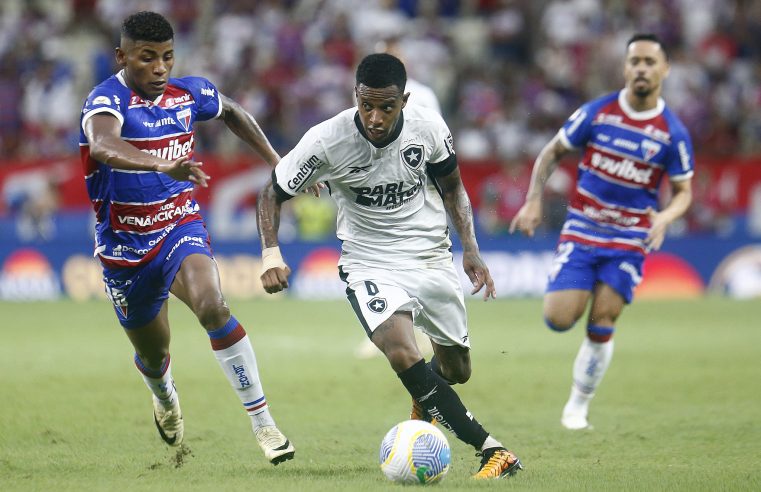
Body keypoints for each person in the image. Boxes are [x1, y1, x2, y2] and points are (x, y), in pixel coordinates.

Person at [257, 53, 523, 479]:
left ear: (405, 100)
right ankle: (492, 450)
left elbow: (452, 187)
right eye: (366, 105)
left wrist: (470, 248)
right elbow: (271, 193)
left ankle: (427, 395)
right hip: (369, 261)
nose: (375, 117)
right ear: (355, 97)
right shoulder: (327, 140)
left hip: (430, 253)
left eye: (386, 106)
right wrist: (271, 252)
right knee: (402, 351)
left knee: (457, 370)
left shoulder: (429, 127)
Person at [79, 11, 294, 464]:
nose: (160, 68)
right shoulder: (105, 100)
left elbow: (233, 111)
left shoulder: (187, 93)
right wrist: (160, 164)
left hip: (179, 225)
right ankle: (164, 396)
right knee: (154, 355)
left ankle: (264, 424)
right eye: (147, 58)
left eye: (167, 57)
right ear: (122, 57)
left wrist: (277, 159)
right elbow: (101, 145)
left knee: (213, 304)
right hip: (124, 249)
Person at [510, 33, 694, 430]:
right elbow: (552, 152)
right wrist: (533, 200)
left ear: (664, 69)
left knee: (603, 320)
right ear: (625, 68)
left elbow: (683, 193)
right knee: (558, 320)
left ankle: (577, 407)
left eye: (649, 61)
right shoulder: (598, 112)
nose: (641, 68)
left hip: (629, 239)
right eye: (635, 62)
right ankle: (582, 285)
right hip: (583, 229)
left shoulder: (672, 133)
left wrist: (665, 217)